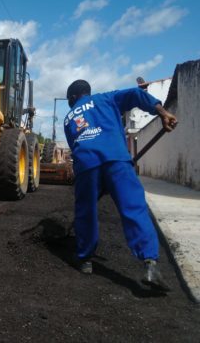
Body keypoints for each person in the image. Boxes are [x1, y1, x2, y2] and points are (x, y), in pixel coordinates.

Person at [64, 79, 177, 291]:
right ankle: (150, 264)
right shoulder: (105, 98)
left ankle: (85, 259)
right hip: (117, 160)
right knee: (134, 209)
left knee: (85, 213)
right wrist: (161, 112)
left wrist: (97, 180)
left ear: (71, 98)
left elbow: (75, 146)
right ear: (88, 92)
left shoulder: (68, 117)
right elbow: (136, 94)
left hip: (87, 165)